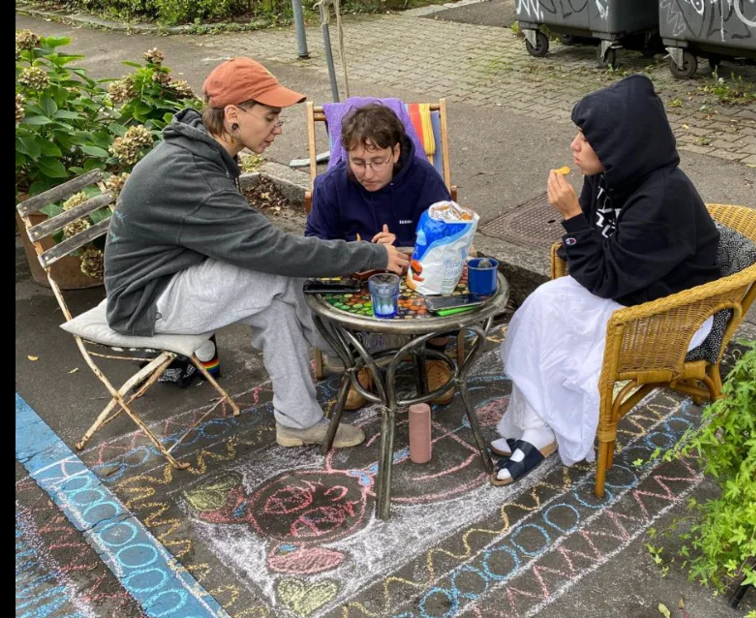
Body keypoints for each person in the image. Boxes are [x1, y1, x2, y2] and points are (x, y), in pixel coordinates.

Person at [104, 57, 409, 450]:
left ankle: (299, 421)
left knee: (277, 306)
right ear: (233, 115)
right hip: (147, 301)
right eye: (270, 117)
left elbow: (257, 243)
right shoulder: (192, 173)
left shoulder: (201, 152)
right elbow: (274, 250)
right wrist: (369, 256)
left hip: (173, 279)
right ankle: (359, 351)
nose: (277, 129)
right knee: (279, 272)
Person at [490, 75, 722, 485]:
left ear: (620, 146)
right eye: (578, 133)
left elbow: (604, 275)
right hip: (629, 289)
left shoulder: (662, 199)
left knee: (571, 344)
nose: (574, 146)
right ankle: (532, 424)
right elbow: (598, 261)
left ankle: (547, 434)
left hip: (672, 311)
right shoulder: (609, 173)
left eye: (586, 138)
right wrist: (579, 224)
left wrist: (572, 218)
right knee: (542, 306)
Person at [305, 103, 456, 409]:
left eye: (377, 161)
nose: (368, 173)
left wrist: (400, 246)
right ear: (346, 154)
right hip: (357, 283)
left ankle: (435, 354)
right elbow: (313, 246)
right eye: (358, 162)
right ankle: (360, 361)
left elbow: (449, 236)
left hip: (415, 277)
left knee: (451, 272)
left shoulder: (422, 178)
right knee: (312, 290)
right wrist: (365, 253)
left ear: (396, 153)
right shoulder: (331, 185)